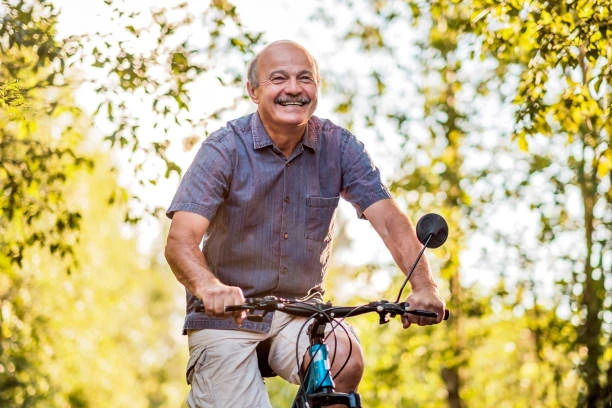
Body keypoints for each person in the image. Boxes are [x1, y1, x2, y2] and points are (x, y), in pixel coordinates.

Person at [164, 40, 445, 408]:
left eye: (305, 78)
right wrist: (208, 286)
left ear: (317, 88)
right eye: (278, 78)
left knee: (344, 353)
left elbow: (390, 220)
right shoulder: (223, 150)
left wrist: (424, 286)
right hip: (225, 318)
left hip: (300, 312)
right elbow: (180, 241)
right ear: (253, 91)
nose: (293, 88)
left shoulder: (340, 147)